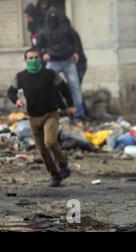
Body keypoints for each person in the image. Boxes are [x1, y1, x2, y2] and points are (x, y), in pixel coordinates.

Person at [7, 48, 75, 187]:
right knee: (42, 151)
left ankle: (63, 165)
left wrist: (70, 105)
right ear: (25, 60)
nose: (33, 60)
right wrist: (16, 100)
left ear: (40, 59)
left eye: (36, 57)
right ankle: (55, 176)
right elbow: (11, 92)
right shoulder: (21, 77)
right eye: (30, 58)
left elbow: (64, 88)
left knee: (50, 142)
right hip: (33, 118)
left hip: (50, 114)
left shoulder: (50, 74)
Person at [39, 10, 86, 121]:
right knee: (45, 86)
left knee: (75, 87)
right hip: (53, 61)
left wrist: (75, 52)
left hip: (68, 61)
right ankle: (47, 113)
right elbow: (39, 46)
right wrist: (43, 54)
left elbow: (74, 41)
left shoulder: (66, 28)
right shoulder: (45, 31)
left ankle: (78, 115)